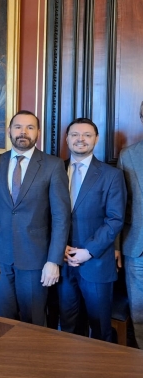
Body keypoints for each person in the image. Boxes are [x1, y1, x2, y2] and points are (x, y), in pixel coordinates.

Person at [0, 110, 71, 326]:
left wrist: (54, 260)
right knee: (3, 321)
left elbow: (61, 217)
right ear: (9, 131)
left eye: (30, 127)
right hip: (0, 258)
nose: (23, 132)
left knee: (34, 324)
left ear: (38, 132)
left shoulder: (53, 165)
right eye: (18, 127)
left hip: (36, 259)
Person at [58, 118, 125, 341]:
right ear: (67, 139)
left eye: (87, 135)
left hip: (96, 262)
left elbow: (115, 219)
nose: (81, 139)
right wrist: (59, 247)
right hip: (62, 262)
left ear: (96, 139)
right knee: (67, 327)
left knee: (100, 329)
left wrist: (88, 251)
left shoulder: (111, 175)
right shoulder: (55, 170)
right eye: (75, 134)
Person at [117, 101, 143, 348]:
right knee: (139, 312)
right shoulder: (128, 155)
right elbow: (119, 206)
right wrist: (117, 245)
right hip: (137, 248)